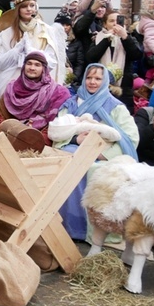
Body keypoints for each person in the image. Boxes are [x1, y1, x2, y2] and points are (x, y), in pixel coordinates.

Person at [50, 64, 139, 240]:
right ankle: (62, 225)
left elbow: (131, 137)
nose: (92, 82)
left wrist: (102, 154)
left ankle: (88, 231)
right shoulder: (72, 103)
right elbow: (58, 130)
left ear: (105, 81)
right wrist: (76, 140)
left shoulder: (116, 107)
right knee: (69, 161)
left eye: (98, 79)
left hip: (104, 155)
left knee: (92, 169)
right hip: (74, 148)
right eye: (89, 78)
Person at [0, 0, 65, 103]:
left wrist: (32, 54)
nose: (29, 9)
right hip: (11, 84)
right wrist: (16, 51)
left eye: (32, 6)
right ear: (18, 10)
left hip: (38, 85)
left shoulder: (47, 30)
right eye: (24, 6)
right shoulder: (6, 33)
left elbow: (52, 61)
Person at [0, 51, 71, 145]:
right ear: (24, 66)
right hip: (7, 138)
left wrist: (34, 140)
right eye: (29, 63)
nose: (32, 68)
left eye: (37, 65)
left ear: (44, 69)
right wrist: (12, 133)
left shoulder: (56, 92)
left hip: (38, 143)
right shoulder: (12, 89)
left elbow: (55, 125)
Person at [85, 9, 142, 113]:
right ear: (105, 24)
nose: (115, 23)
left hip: (123, 89)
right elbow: (90, 57)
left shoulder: (130, 38)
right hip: (100, 87)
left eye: (118, 20)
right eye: (111, 21)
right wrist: (107, 39)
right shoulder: (98, 38)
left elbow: (136, 55)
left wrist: (125, 37)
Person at [54, 9, 85, 88]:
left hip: (71, 82)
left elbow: (80, 63)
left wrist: (73, 77)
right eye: (62, 24)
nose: (65, 27)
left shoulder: (76, 42)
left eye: (67, 25)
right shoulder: (51, 40)